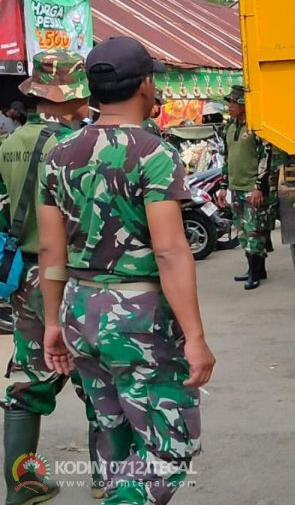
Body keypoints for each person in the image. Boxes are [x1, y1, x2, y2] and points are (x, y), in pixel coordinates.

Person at [39, 36, 215, 503]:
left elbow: (51, 251)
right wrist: (195, 336)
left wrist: (53, 322)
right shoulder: (153, 153)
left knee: (115, 439)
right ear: (145, 86)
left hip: (80, 311)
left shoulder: (58, 153)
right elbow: (171, 251)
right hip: (139, 319)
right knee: (167, 448)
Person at [1, 51, 105, 503]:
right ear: (71, 96)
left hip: (27, 280)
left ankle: (21, 487)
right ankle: (107, 480)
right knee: (99, 381)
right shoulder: (78, 148)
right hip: (79, 277)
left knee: (27, 384)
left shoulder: (8, 145)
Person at [217, 85, 273, 290]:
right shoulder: (229, 127)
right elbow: (226, 158)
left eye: (233, 102)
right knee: (242, 231)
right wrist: (223, 186)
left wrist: (259, 186)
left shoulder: (255, 128)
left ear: (243, 104)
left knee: (254, 232)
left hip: (251, 187)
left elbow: (265, 158)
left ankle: (256, 273)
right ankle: (255, 270)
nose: (230, 106)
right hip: (235, 187)